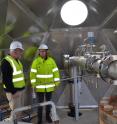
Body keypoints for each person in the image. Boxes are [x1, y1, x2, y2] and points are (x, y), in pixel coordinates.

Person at [30, 44, 60, 124]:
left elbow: (56, 72)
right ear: (39, 52)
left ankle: (47, 116)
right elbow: (32, 75)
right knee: (40, 104)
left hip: (49, 87)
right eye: (41, 51)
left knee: (48, 103)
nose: (42, 53)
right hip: (39, 88)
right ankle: (39, 120)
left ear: (47, 52)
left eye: (44, 51)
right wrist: (34, 85)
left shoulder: (51, 61)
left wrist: (56, 82)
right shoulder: (36, 62)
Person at [1, 41, 26, 121]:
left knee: (19, 111)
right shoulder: (6, 62)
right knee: (15, 111)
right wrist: (14, 91)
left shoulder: (16, 60)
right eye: (20, 51)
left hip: (19, 90)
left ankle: (17, 122)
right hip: (14, 92)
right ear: (15, 51)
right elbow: (6, 80)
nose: (21, 53)